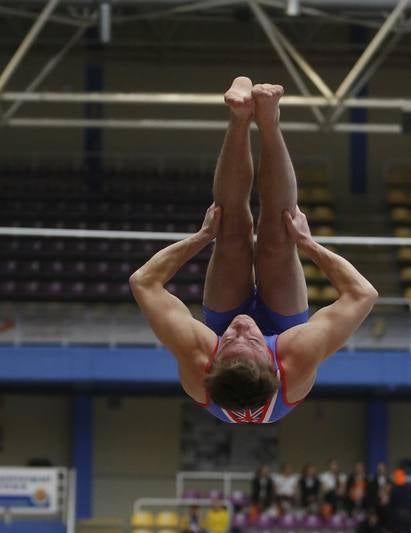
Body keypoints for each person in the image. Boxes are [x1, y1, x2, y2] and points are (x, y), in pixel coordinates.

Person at [129, 76, 378, 425]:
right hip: (282, 336)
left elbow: (144, 282)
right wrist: (308, 244)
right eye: (253, 340)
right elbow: (362, 294)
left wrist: (201, 237)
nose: (243, 327)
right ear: (271, 358)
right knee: (280, 235)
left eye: (230, 338)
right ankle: (270, 122)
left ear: (215, 359)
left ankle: (240, 116)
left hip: (233, 350)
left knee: (230, 230)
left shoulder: (198, 357)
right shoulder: (295, 359)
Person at [388, 469, 411, 533]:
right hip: (407, 515)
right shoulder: (409, 490)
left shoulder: (393, 490)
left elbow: (391, 505)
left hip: (397, 515)